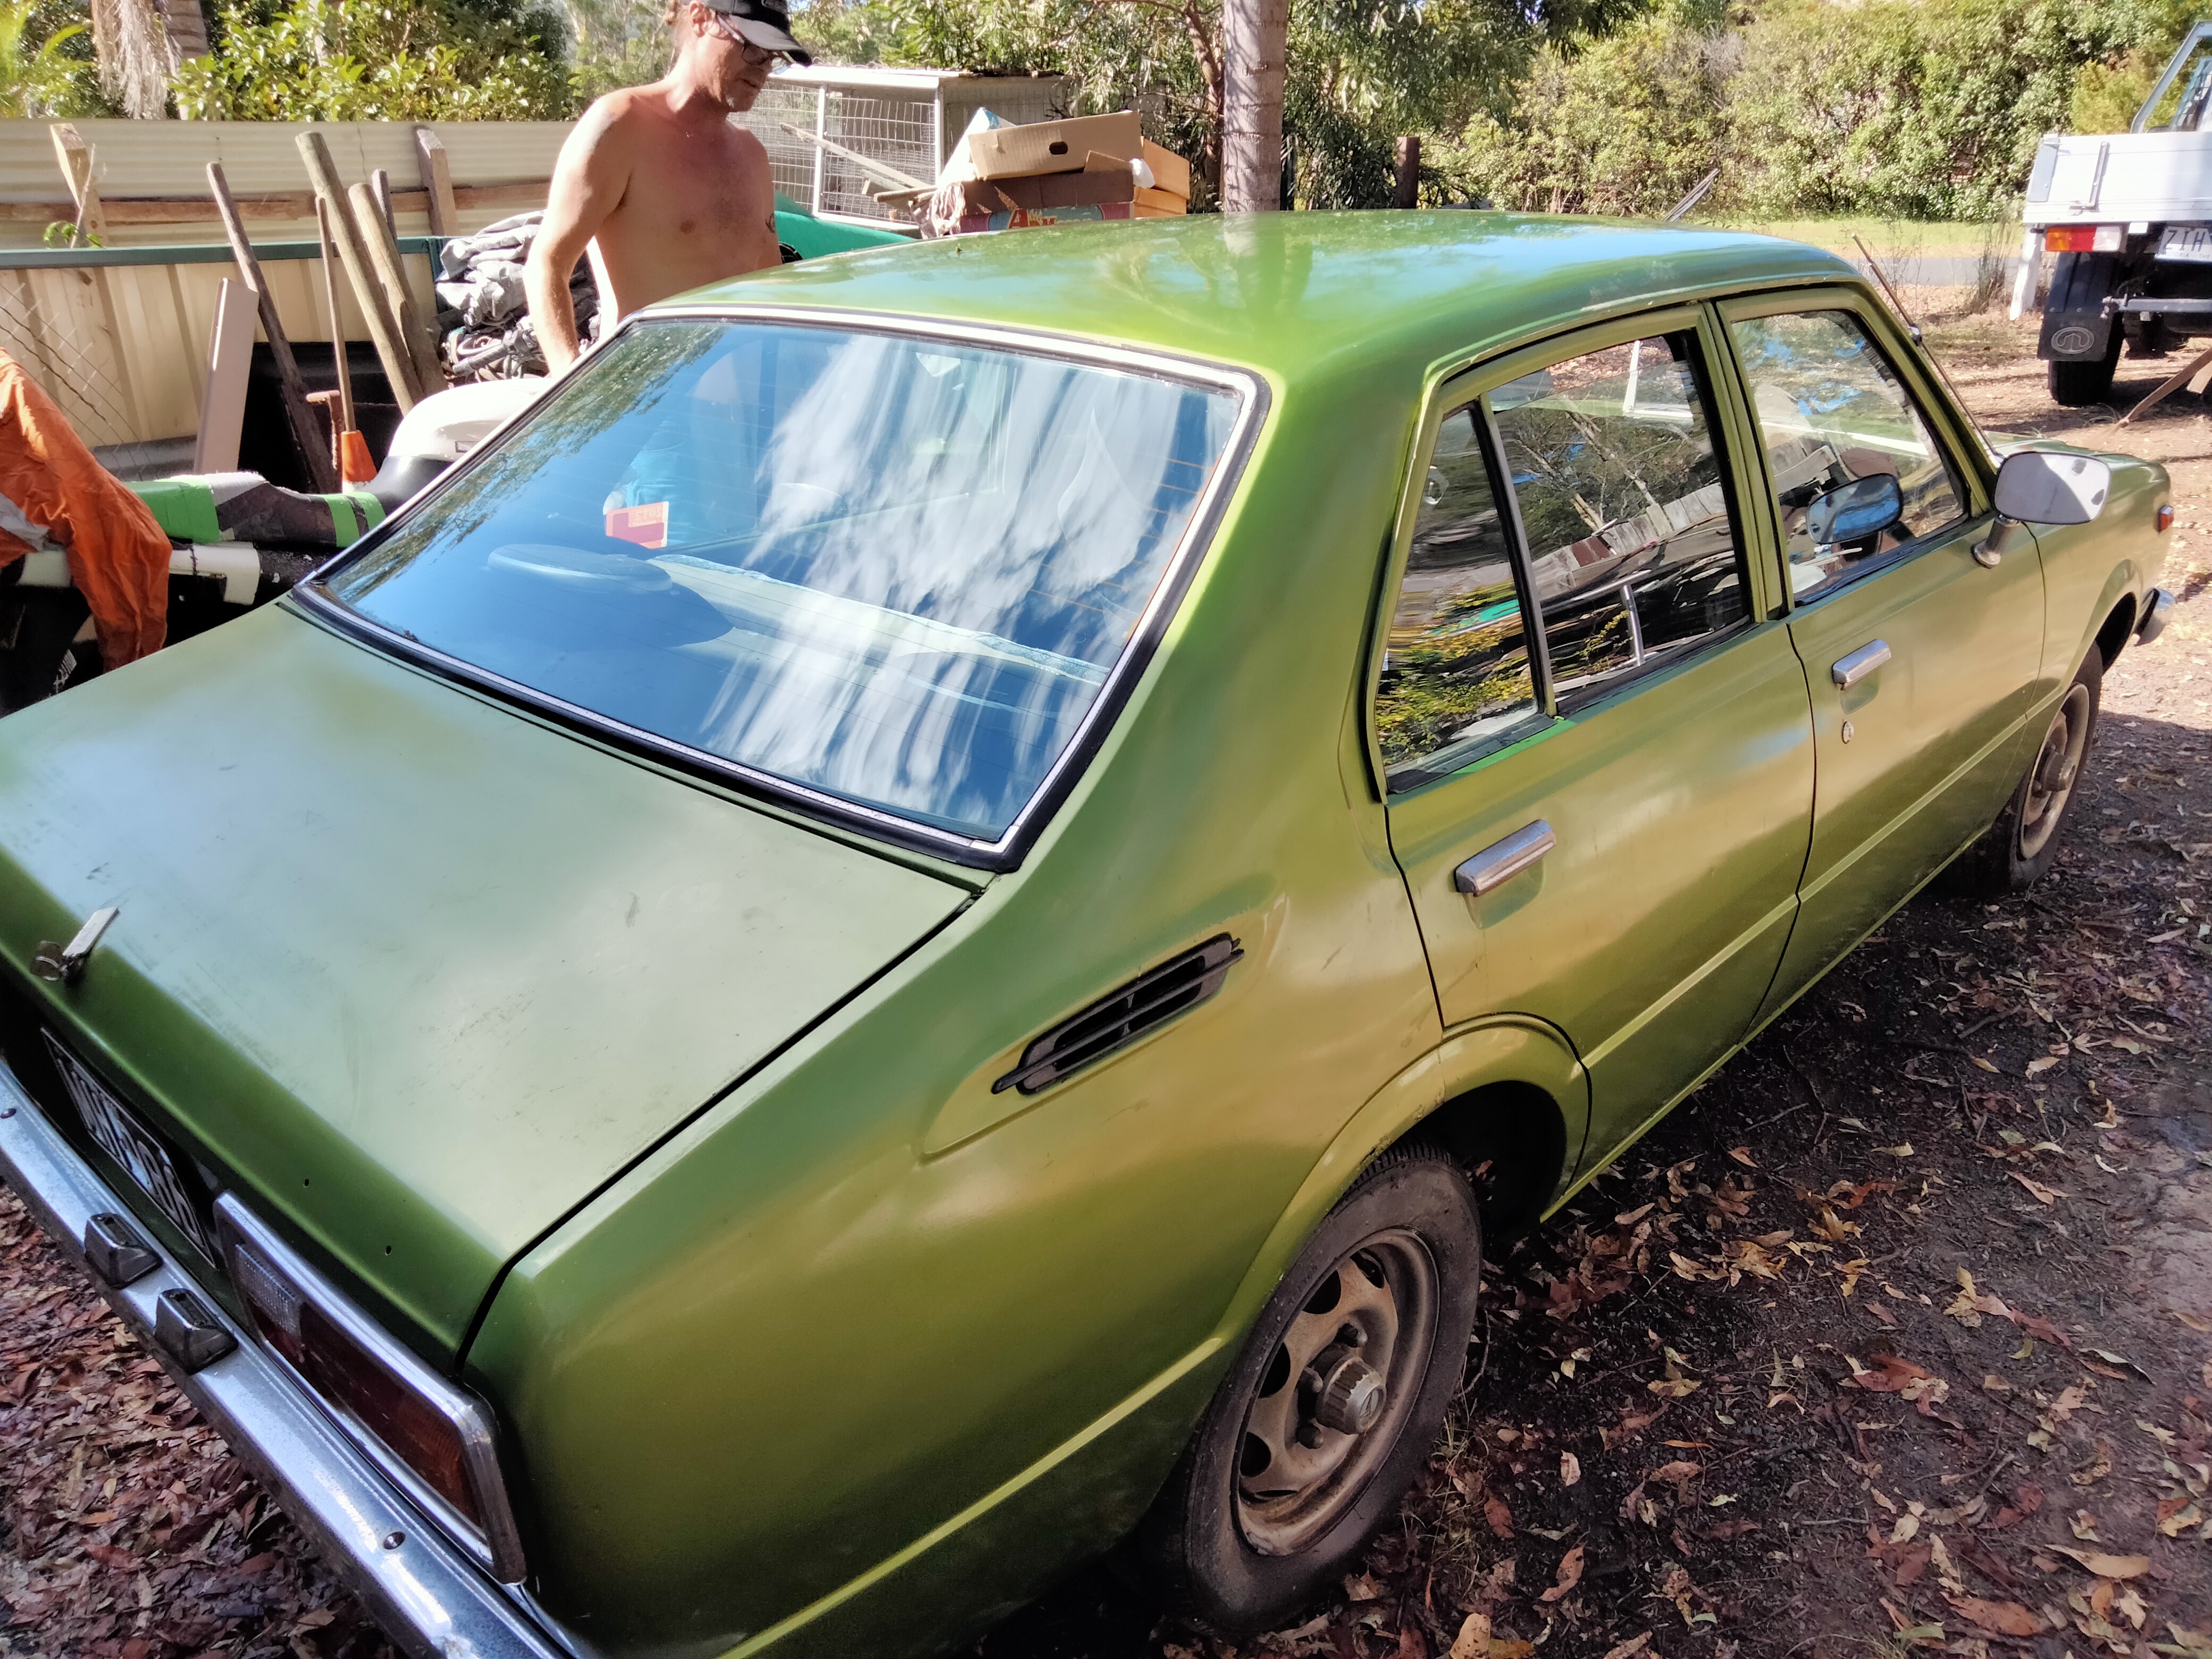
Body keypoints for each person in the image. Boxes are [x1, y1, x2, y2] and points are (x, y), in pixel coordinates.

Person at [525, 0, 809, 374]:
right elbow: (547, 263)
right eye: (753, 49)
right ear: (700, 17)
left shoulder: (751, 155)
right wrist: (567, 380)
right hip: (644, 402)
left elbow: (772, 289)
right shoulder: (621, 125)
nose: (763, 71)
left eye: (773, 57)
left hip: (736, 412)